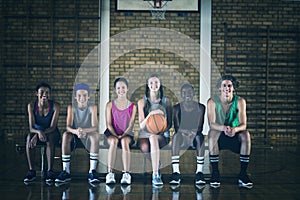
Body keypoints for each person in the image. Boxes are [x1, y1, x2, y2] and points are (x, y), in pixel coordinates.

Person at [207, 75, 253, 188]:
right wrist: (223, 128)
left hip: (234, 134)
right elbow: (211, 124)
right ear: (219, 88)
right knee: (212, 134)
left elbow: (244, 124)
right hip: (219, 134)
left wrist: (235, 129)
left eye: (229, 85)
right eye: (224, 85)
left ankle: (243, 173)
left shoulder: (240, 101)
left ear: (233, 88)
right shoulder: (212, 101)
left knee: (246, 135)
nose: (226, 88)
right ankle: (215, 173)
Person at [55, 83, 100, 185]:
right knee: (66, 135)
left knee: (95, 136)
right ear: (75, 97)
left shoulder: (92, 107)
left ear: (88, 96)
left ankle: (92, 171)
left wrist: (84, 131)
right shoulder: (71, 107)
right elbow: (68, 126)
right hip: (75, 135)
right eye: (79, 95)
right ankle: (66, 171)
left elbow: (95, 127)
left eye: (84, 95)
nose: (82, 98)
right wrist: (77, 131)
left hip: (87, 135)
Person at [137, 73, 172, 186]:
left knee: (153, 138)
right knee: (144, 146)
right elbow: (142, 125)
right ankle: (157, 164)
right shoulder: (142, 102)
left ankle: (155, 175)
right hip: (144, 134)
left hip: (162, 135)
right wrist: (151, 114)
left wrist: (160, 125)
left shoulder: (167, 101)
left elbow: (169, 124)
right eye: (151, 83)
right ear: (148, 85)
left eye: (156, 82)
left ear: (160, 84)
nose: (154, 85)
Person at [170, 83, 206, 186]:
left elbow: (200, 127)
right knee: (176, 136)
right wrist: (186, 132)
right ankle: (176, 173)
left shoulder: (201, 107)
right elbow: (177, 128)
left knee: (200, 137)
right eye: (184, 93)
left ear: (193, 93)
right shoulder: (176, 108)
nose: (187, 94)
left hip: (195, 137)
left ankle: (199, 173)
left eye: (190, 92)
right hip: (182, 137)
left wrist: (193, 133)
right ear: (181, 95)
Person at [24, 82, 60, 183]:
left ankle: (50, 171)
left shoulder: (55, 106)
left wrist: (40, 133)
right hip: (36, 131)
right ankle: (31, 171)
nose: (45, 95)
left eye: (47, 92)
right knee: (28, 138)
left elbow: (52, 127)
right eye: (42, 92)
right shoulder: (31, 106)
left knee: (50, 138)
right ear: (37, 94)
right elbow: (31, 127)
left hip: (52, 132)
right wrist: (37, 133)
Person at [104, 78, 137, 185]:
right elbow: (109, 124)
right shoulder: (109, 105)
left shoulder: (133, 106)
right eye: (118, 88)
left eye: (123, 87)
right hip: (112, 132)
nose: (121, 90)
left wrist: (123, 135)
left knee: (124, 142)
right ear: (115, 90)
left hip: (126, 133)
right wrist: (116, 135)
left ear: (127, 89)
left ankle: (126, 174)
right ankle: (110, 173)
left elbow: (131, 125)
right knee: (114, 142)